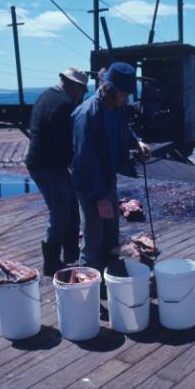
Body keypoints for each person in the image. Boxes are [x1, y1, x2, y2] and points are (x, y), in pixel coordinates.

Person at [71, 62, 150, 280]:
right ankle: (87, 294)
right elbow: (85, 159)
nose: (127, 99)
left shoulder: (116, 107)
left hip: (107, 180)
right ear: (110, 90)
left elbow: (124, 128)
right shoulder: (86, 114)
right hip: (89, 186)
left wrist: (138, 143)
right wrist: (99, 197)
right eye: (124, 94)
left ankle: (110, 283)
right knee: (93, 240)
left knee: (111, 236)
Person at [25, 66, 88, 276]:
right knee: (60, 211)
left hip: (47, 161)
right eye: (82, 90)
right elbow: (65, 144)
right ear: (73, 85)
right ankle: (51, 263)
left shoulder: (47, 95)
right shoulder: (63, 105)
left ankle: (70, 254)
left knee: (70, 202)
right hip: (46, 164)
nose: (83, 95)